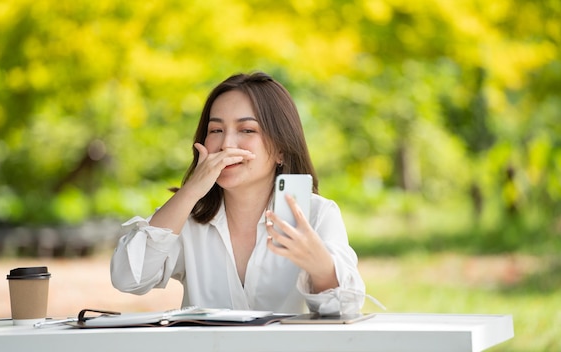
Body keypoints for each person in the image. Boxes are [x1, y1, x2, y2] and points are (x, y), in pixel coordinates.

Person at [110, 71, 368, 315]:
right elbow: (129, 278)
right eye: (216, 130)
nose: (226, 145)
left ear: (280, 150)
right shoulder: (186, 217)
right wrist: (190, 192)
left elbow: (345, 310)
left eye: (247, 130)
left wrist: (321, 268)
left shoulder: (316, 215)